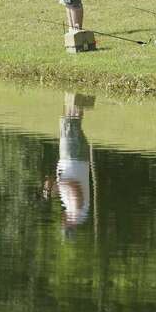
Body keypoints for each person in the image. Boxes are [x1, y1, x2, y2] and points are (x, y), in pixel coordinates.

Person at [42, 93, 93, 235]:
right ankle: (78, 92)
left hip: (74, 158)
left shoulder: (74, 212)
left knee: (72, 121)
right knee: (69, 122)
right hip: (73, 158)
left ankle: (82, 93)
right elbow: (75, 188)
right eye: (62, 224)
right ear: (67, 225)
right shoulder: (76, 212)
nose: (61, 221)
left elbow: (68, 186)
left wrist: (53, 187)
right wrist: (56, 186)